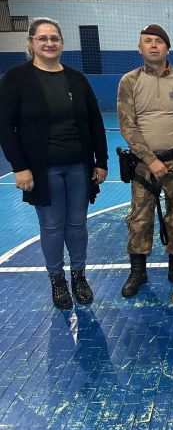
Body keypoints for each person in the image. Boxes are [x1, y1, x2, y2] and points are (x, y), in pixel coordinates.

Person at [0, 17, 108, 310]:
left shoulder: (76, 78)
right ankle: (57, 280)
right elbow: (5, 126)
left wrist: (101, 161)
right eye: (43, 38)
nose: (49, 43)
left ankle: (79, 276)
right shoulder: (17, 78)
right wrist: (19, 166)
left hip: (79, 167)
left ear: (61, 42)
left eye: (54, 38)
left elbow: (94, 121)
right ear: (31, 42)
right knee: (51, 226)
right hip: (42, 170)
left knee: (78, 225)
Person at [117, 24, 173, 297]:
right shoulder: (129, 81)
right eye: (148, 41)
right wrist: (150, 160)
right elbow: (128, 126)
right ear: (139, 48)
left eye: (159, 41)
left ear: (168, 48)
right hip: (145, 167)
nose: (153, 45)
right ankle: (138, 272)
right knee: (139, 220)